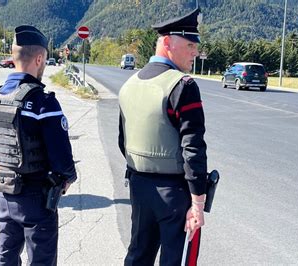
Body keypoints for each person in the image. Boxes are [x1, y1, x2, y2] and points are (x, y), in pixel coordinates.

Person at [118, 8, 208, 266]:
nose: (195, 52)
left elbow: (123, 142)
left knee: (138, 255)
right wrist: (198, 203)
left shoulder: (130, 83)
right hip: (174, 193)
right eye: (190, 45)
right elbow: (193, 148)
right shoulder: (182, 85)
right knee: (175, 260)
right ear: (168, 42)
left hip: (138, 185)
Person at [0, 25, 77, 265]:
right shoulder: (42, 102)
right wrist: (66, 177)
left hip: (3, 190)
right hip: (36, 194)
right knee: (42, 259)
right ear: (39, 58)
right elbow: (61, 155)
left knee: (5, 255)